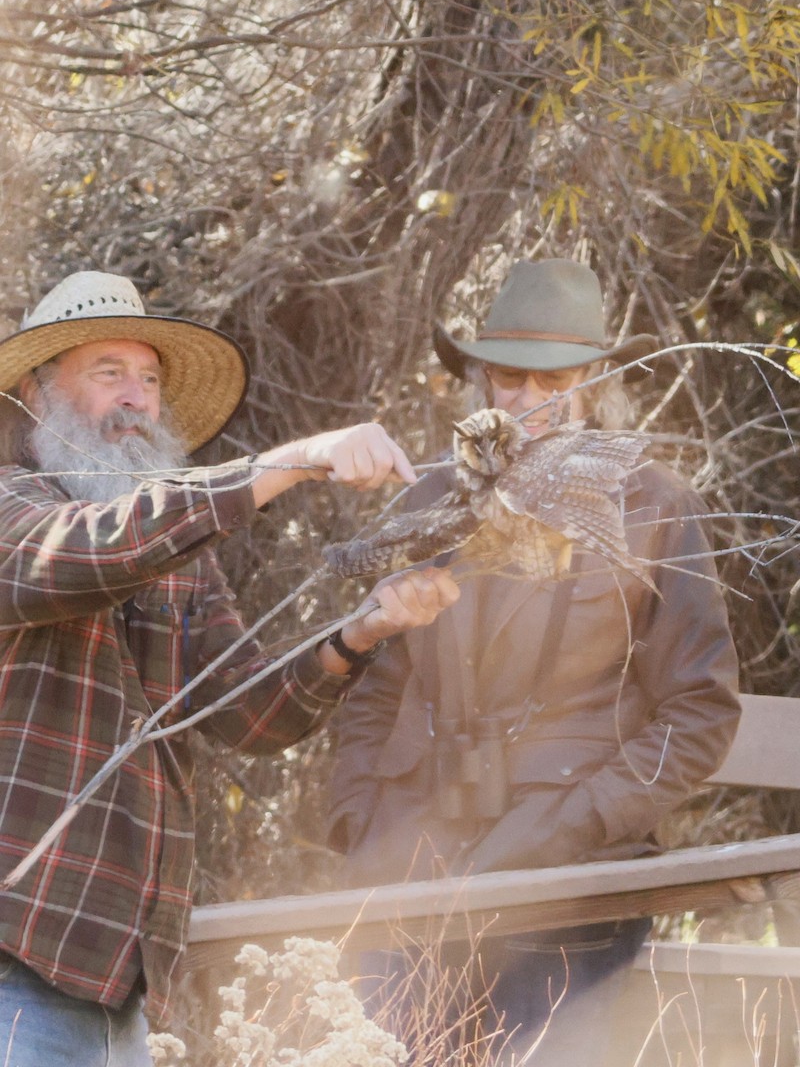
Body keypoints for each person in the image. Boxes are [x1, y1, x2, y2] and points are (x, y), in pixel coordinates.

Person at [0, 270, 460, 1067]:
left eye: (149, 378)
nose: (137, 397)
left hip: (119, 979)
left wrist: (365, 628)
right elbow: (104, 546)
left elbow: (249, 714)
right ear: (40, 396)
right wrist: (296, 460)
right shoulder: (14, 508)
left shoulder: (177, 562)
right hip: (15, 959)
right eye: (109, 373)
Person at [327, 258, 741, 1065]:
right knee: (370, 1051)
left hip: (573, 879)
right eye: (511, 378)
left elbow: (700, 712)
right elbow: (379, 685)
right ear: (481, 383)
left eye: (556, 378)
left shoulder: (656, 505)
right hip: (414, 857)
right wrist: (359, 816)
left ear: (594, 382)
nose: (531, 400)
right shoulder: (434, 501)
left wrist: (575, 823)